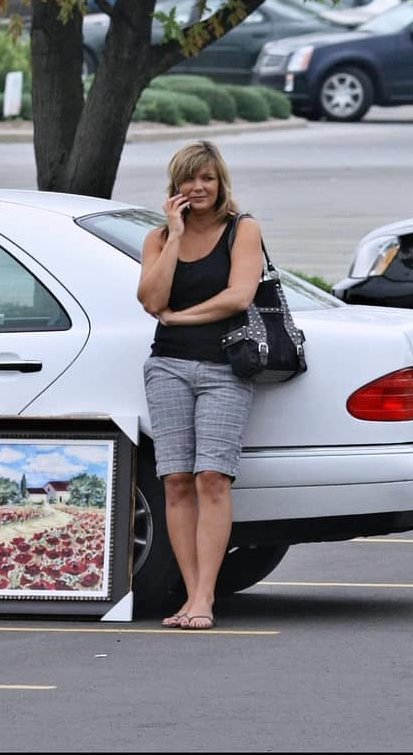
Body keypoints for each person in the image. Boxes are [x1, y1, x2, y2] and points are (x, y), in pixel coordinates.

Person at [136, 140, 264, 630]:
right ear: (175, 186)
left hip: (224, 368)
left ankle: (206, 596)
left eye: (207, 178)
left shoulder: (242, 229)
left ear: (220, 182)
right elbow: (152, 301)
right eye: (190, 178)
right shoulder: (157, 237)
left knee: (212, 477)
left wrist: (182, 317)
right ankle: (190, 595)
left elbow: (239, 296)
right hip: (167, 366)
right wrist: (173, 235)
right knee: (175, 479)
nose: (199, 187)